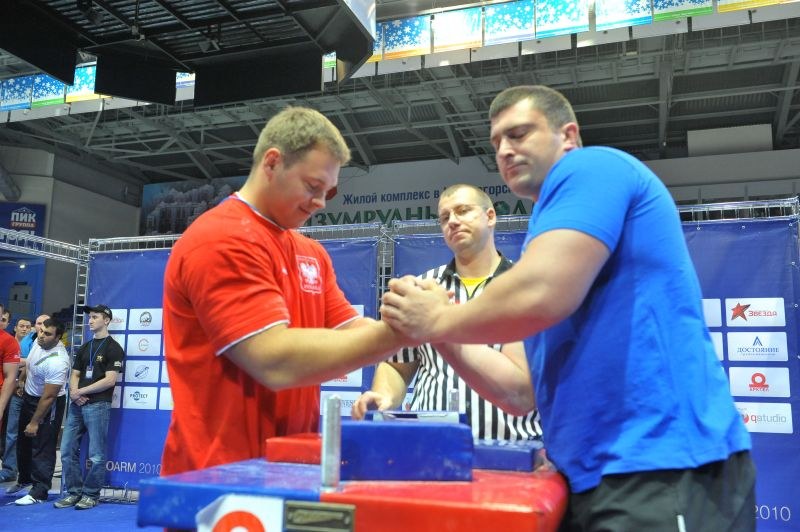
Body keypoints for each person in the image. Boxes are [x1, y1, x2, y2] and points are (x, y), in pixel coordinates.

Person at [380, 85, 754, 531]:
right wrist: (438, 334)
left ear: (568, 135)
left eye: (518, 133)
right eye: (496, 142)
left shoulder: (592, 167)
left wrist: (438, 318)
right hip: (590, 474)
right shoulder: (545, 237)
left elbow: (543, 291)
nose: (504, 150)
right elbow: (519, 391)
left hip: (662, 464)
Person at [161, 106, 410, 476]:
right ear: (273, 163)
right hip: (218, 473)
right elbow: (273, 361)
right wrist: (404, 332)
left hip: (290, 465)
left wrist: (419, 319)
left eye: (328, 192)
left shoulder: (311, 252)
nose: (321, 203)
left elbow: (349, 330)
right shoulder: (221, 238)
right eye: (313, 187)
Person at [352, 184, 541, 441]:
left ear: (490, 216)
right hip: (432, 446)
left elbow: (527, 388)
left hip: (511, 449)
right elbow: (397, 366)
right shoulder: (421, 289)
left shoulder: (527, 288)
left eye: (463, 211)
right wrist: (384, 396)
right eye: (444, 217)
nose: (452, 221)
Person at [55, 305, 124, 510]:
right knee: (67, 450)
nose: (90, 320)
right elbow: (74, 374)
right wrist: (75, 394)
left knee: (96, 454)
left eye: (95, 317)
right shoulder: (85, 347)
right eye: (90, 317)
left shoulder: (114, 348)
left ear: (107, 320)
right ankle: (74, 492)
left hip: (98, 405)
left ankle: (91, 494)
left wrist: (81, 392)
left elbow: (110, 380)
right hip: (77, 406)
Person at [9, 318, 69, 505]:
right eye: (41, 331)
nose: (41, 336)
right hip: (29, 395)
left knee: (42, 445)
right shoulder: (38, 340)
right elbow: (30, 363)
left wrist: (35, 422)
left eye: (48, 334)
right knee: (23, 441)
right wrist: (22, 380)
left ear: (58, 337)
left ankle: (40, 490)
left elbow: (49, 397)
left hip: (47, 403)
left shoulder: (59, 361)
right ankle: (25, 479)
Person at [0, 316, 31, 483]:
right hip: (13, 389)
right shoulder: (13, 342)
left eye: (28, 326)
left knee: (12, 432)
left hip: (20, 392)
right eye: (22, 326)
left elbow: (32, 363)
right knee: (7, 433)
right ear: (15, 327)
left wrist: (20, 382)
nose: (25, 329)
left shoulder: (30, 343)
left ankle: (11, 468)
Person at [0, 305, 21, 477]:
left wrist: (0, 407)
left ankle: (9, 469)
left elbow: (10, 377)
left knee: (9, 434)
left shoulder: (8, 341)